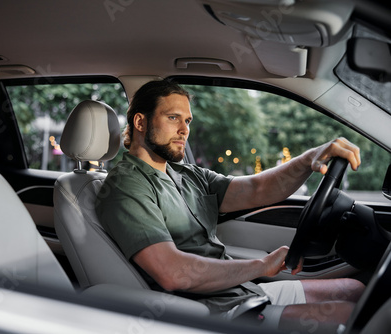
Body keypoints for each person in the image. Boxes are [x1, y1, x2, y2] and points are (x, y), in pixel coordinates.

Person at [95, 80, 365, 333]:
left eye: (187, 120)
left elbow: (258, 188)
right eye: (173, 118)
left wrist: (309, 160)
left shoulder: (187, 175)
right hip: (211, 313)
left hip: (243, 293)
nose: (184, 129)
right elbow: (172, 273)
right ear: (140, 122)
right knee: (350, 317)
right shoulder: (126, 185)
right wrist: (260, 265)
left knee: (356, 290)